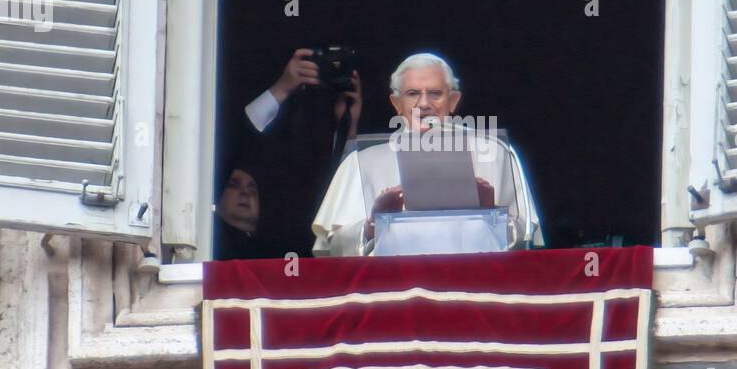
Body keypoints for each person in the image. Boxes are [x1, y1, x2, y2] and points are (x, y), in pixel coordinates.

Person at [311, 52, 542, 257]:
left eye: (435, 93)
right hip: (391, 290)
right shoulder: (362, 162)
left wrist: (492, 215)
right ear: (396, 104)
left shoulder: (495, 153)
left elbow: (528, 239)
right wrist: (373, 224)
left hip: (473, 285)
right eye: (412, 93)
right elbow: (331, 247)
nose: (424, 104)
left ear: (453, 101)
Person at [217, 48, 362, 258]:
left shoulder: (276, 249)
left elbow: (340, 193)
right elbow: (236, 140)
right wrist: (283, 87)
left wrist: (348, 127)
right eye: (233, 184)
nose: (245, 194)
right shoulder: (208, 243)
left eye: (253, 188)